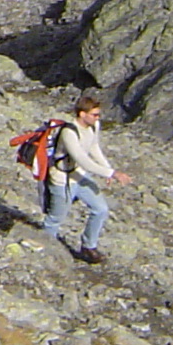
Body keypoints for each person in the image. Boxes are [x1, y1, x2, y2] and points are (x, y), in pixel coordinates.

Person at [40, 93, 131, 264]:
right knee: (55, 218)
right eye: (94, 114)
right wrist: (111, 173)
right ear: (82, 114)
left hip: (79, 175)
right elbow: (83, 160)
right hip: (63, 179)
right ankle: (45, 249)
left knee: (100, 208)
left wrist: (107, 168)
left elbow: (94, 147)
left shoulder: (93, 126)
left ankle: (89, 247)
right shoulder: (69, 132)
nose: (98, 118)